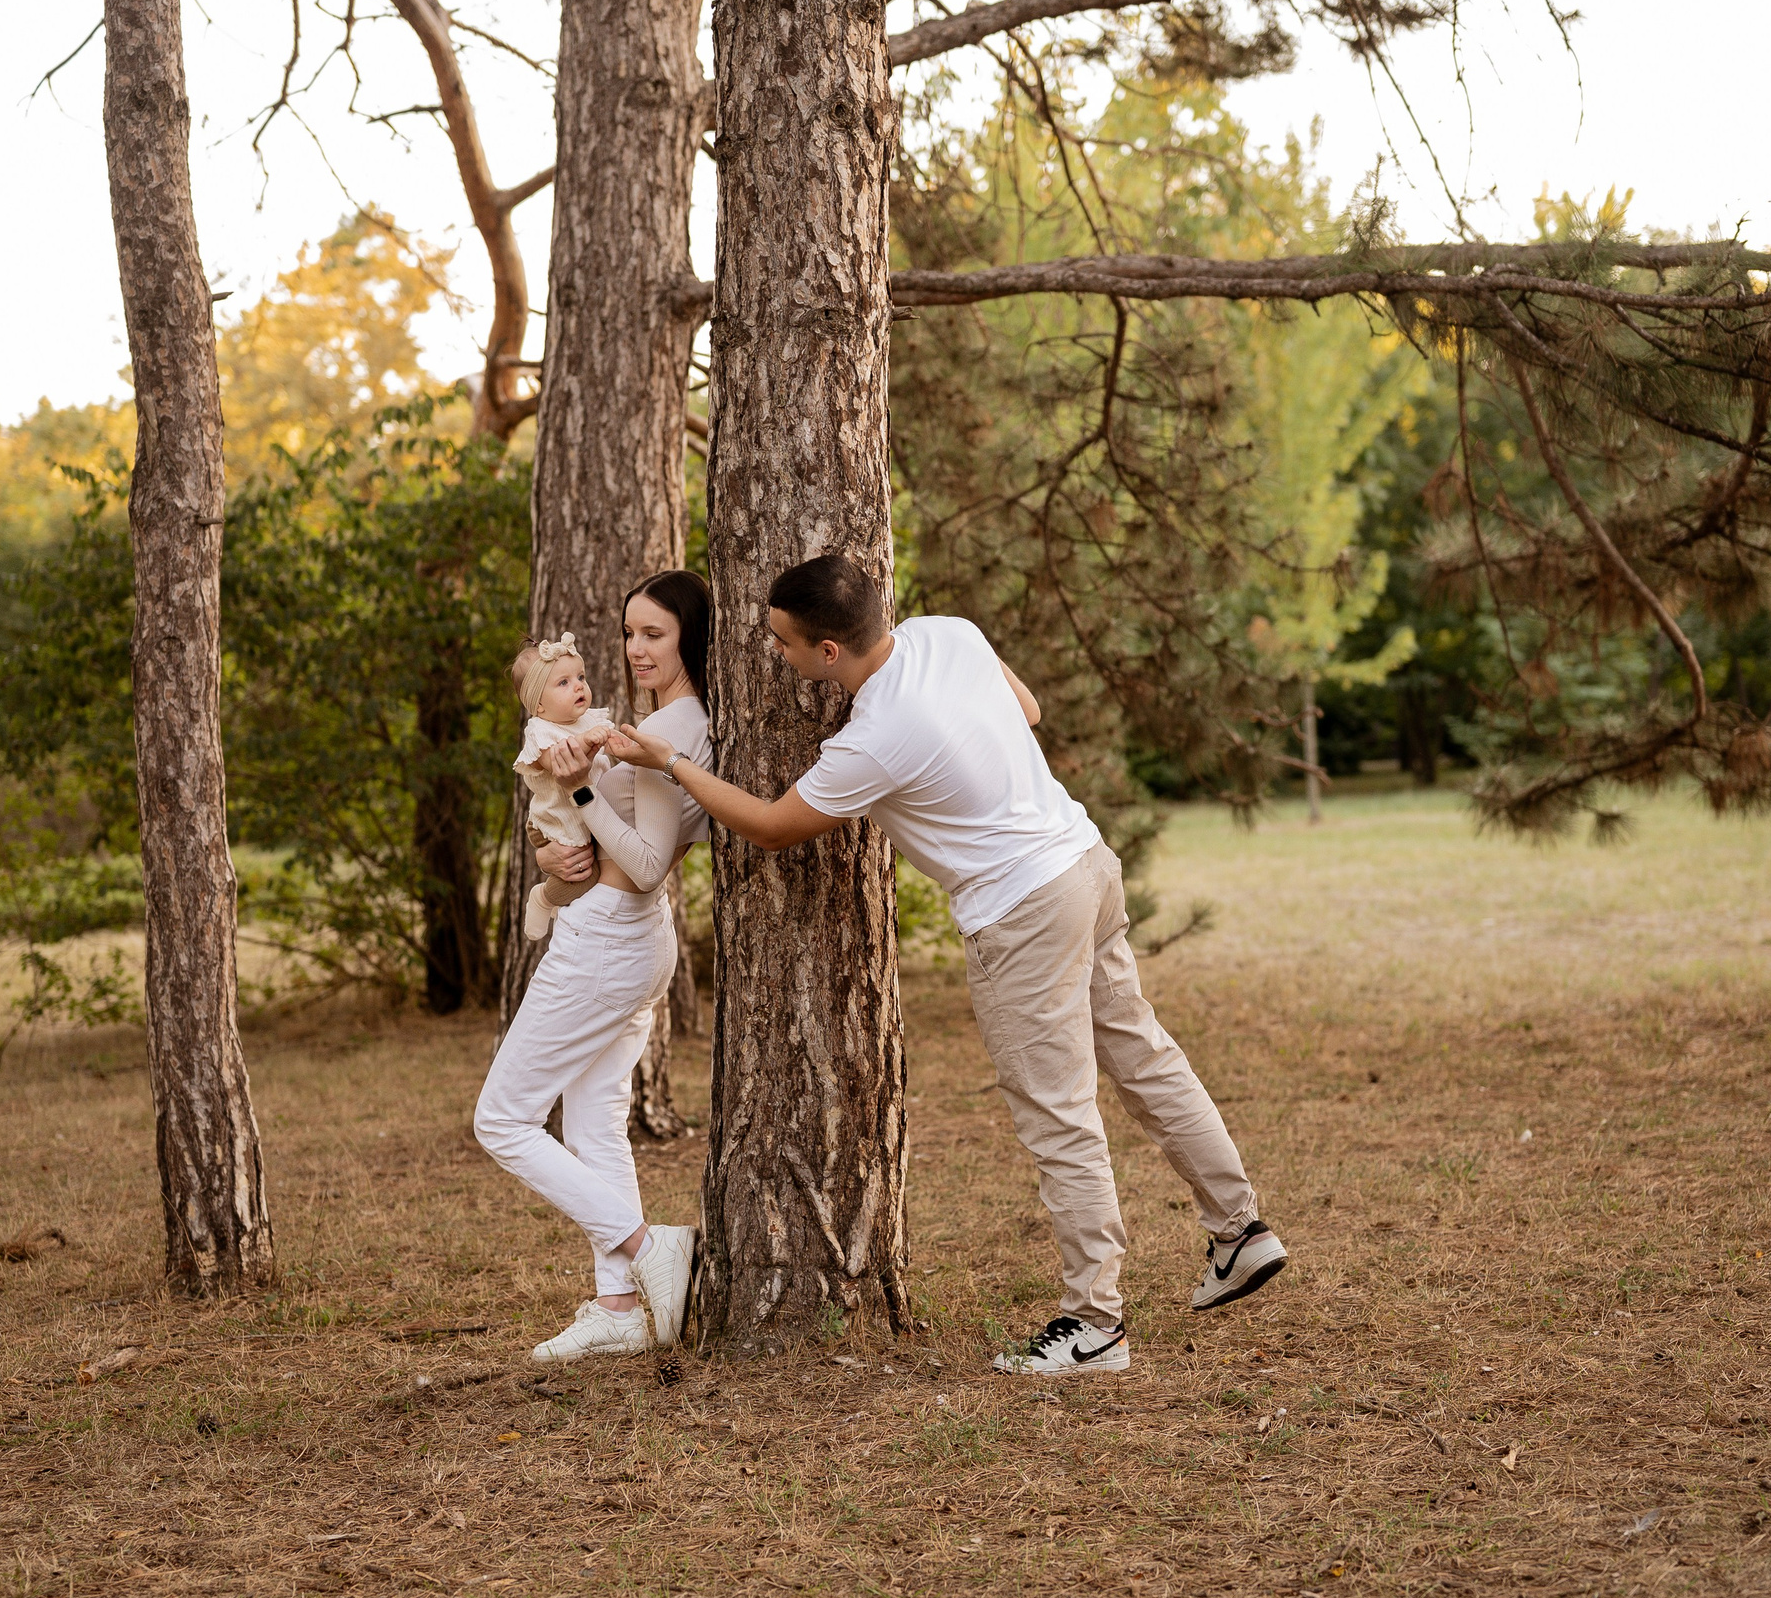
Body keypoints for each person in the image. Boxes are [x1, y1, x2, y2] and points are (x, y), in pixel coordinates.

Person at [604, 555, 1285, 1376]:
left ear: (829, 651)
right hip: (1083, 862)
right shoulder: (947, 633)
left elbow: (774, 826)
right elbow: (1025, 708)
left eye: (784, 643)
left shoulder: (872, 740)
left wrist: (670, 764)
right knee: (1145, 1059)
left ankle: (1095, 1324)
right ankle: (1239, 1230)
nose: (775, 655)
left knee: (1058, 1114)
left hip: (1023, 910)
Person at [475, 571, 715, 1362]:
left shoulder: (669, 729)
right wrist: (553, 865)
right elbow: (592, 857)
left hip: (613, 936)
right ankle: (619, 1303)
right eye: (629, 632)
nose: (636, 648)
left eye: (656, 633)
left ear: (690, 636)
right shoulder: (667, 720)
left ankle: (648, 1248)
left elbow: (646, 862)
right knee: (593, 1121)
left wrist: (581, 793)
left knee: (503, 1119)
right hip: (628, 935)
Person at [509, 633, 613, 940]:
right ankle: (544, 898)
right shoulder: (540, 732)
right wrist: (587, 741)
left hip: (587, 814)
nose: (579, 685)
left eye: (580, 677)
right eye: (563, 683)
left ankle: (561, 900)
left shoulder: (589, 719)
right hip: (555, 823)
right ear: (538, 704)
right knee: (586, 874)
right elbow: (559, 763)